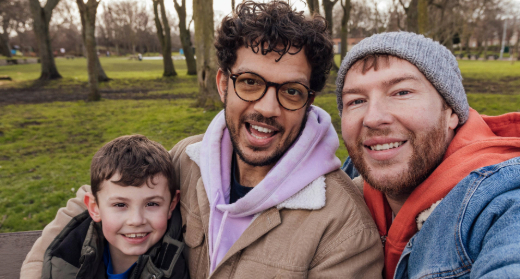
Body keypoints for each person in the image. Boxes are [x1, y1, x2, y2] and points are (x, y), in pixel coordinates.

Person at [21, 1, 383, 278]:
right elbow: (95, 198)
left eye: (290, 91)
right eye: (250, 82)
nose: (268, 108)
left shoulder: (344, 227)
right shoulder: (188, 159)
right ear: (223, 84)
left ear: (308, 101)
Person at [336, 31, 520, 279]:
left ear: (451, 111)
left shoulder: (512, 199)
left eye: (401, 92)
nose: (374, 118)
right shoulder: (339, 186)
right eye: (356, 101)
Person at [41, 135, 187, 278]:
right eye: (120, 204)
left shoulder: (177, 268)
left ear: (171, 205)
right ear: (94, 208)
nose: (136, 220)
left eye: (152, 204)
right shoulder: (67, 256)